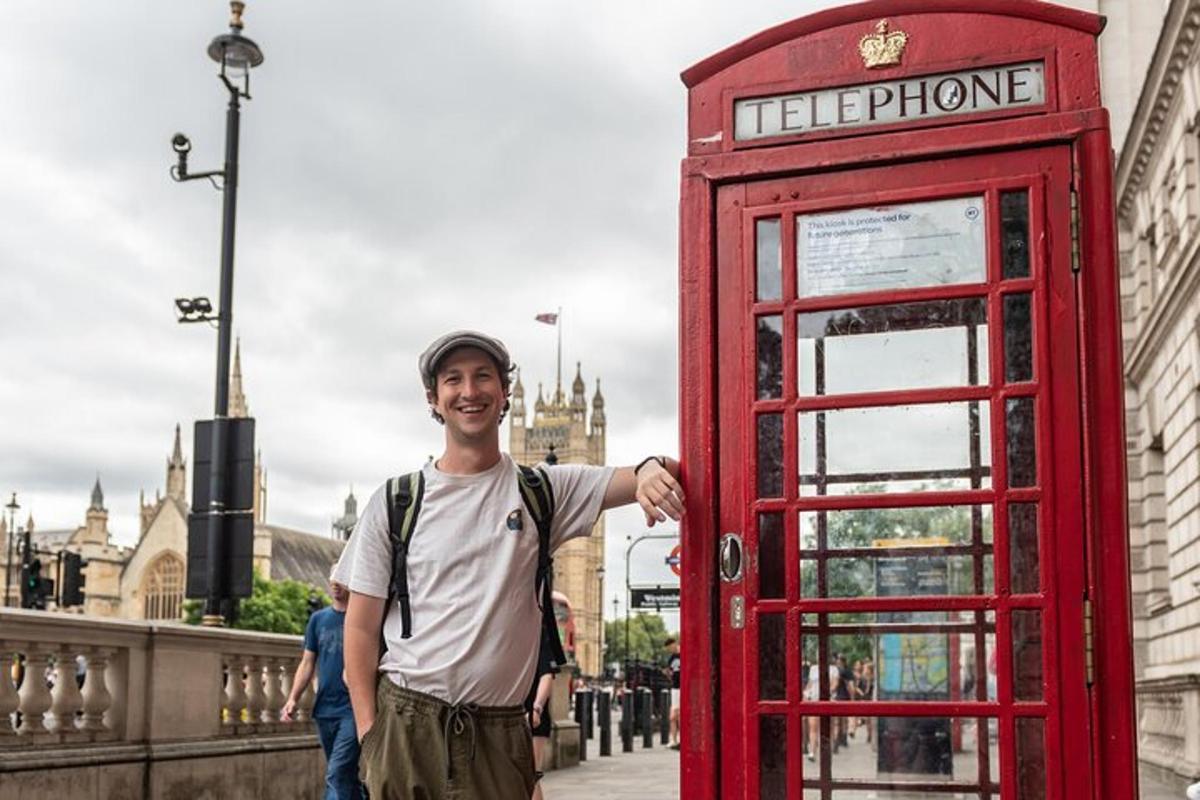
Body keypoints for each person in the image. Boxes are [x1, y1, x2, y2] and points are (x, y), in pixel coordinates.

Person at [338, 330, 685, 800]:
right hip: (406, 724)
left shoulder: (543, 491)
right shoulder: (396, 501)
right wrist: (370, 736)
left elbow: (645, 469)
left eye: (483, 377)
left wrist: (647, 469)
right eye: (453, 379)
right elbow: (359, 631)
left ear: (505, 394)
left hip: (499, 730)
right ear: (434, 399)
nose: (469, 391)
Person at [281, 568, 361, 800]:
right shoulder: (318, 619)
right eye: (333, 578)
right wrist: (293, 698)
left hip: (352, 709)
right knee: (344, 776)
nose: (336, 583)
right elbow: (307, 663)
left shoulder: (360, 619)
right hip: (324, 708)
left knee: (336, 774)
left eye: (341, 578)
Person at [525, 628, 559, 800]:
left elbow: (547, 676)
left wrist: (537, 707)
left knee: (531, 774)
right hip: (507, 713)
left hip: (533, 717)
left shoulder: (538, 636)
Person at [663, 638, 681, 750]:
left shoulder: (684, 653)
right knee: (673, 716)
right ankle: (673, 740)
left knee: (679, 714)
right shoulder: (671, 659)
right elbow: (670, 673)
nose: (670, 650)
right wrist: (667, 674)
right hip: (675, 688)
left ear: (675, 644)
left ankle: (680, 739)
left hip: (683, 687)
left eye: (670, 647)